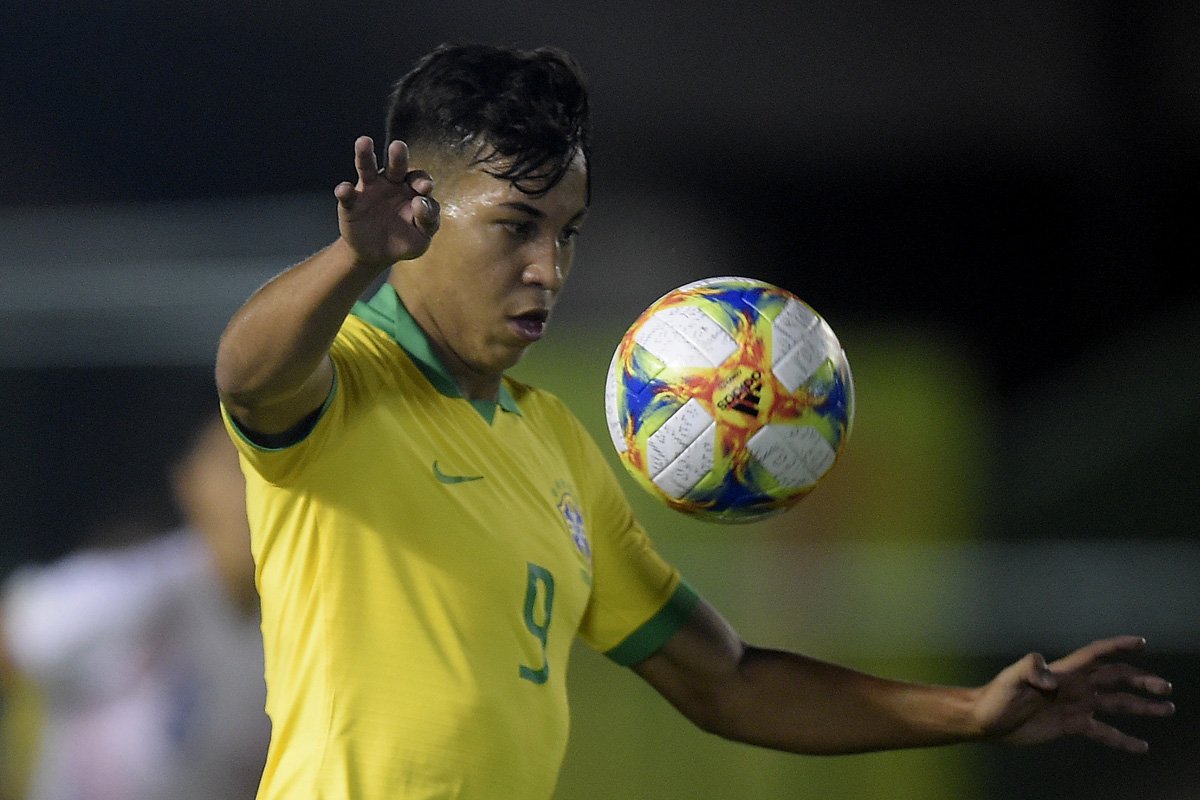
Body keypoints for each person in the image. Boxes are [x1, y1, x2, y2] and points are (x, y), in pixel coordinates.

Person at [213, 43, 1174, 800]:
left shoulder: (551, 443)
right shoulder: (349, 382)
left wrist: (969, 712)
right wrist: (352, 262)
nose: (549, 269)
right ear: (415, 214)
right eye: (516, 225)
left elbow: (725, 681)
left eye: (568, 233)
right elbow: (249, 374)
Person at [0, 413, 270, 800]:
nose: (252, 493)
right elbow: (13, 634)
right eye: (235, 469)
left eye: (270, 472)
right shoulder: (139, 589)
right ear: (190, 482)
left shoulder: (308, 626)